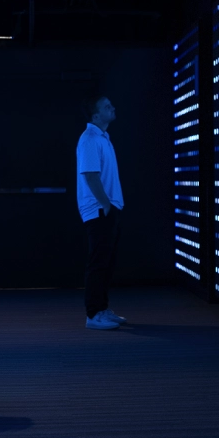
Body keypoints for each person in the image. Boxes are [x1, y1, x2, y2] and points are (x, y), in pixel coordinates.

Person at [77, 94, 126, 329]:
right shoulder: (89, 139)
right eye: (107, 106)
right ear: (96, 115)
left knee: (106, 263)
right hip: (99, 210)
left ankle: (102, 309)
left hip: (106, 208)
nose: (113, 107)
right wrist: (106, 205)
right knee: (98, 263)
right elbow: (89, 175)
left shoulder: (103, 138)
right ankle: (93, 314)